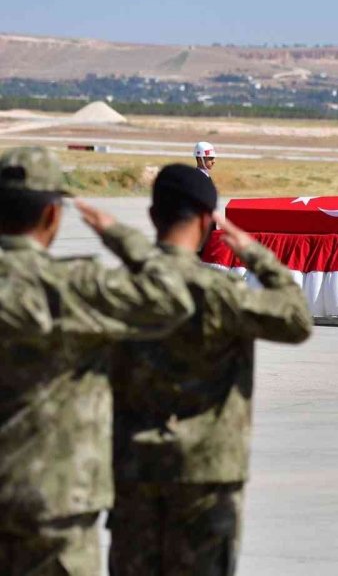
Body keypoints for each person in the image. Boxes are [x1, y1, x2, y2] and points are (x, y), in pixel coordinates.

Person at [108, 164, 313, 575]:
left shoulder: (117, 289)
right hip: (206, 475)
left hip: (136, 468)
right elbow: (296, 318)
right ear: (207, 221)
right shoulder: (223, 294)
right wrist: (252, 251)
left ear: (153, 217)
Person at [0, 147, 195, 576]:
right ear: (53, 216)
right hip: (58, 500)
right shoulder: (77, 287)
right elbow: (171, 299)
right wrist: (119, 236)